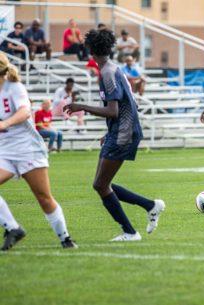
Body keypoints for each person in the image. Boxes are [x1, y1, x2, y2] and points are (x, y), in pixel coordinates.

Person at [63, 29, 165, 241]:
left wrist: (81, 106)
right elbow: (131, 104)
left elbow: (113, 111)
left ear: (90, 49)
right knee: (101, 184)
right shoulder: (112, 69)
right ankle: (150, 206)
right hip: (120, 131)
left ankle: (130, 231)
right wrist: (110, 132)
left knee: (101, 185)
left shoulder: (108, 73)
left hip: (123, 133)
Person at [0, 53, 76, 250]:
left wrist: (4, 124)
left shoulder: (13, 87)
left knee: (43, 197)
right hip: (5, 151)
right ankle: (13, 228)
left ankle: (65, 239)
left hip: (28, 149)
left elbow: (25, 112)